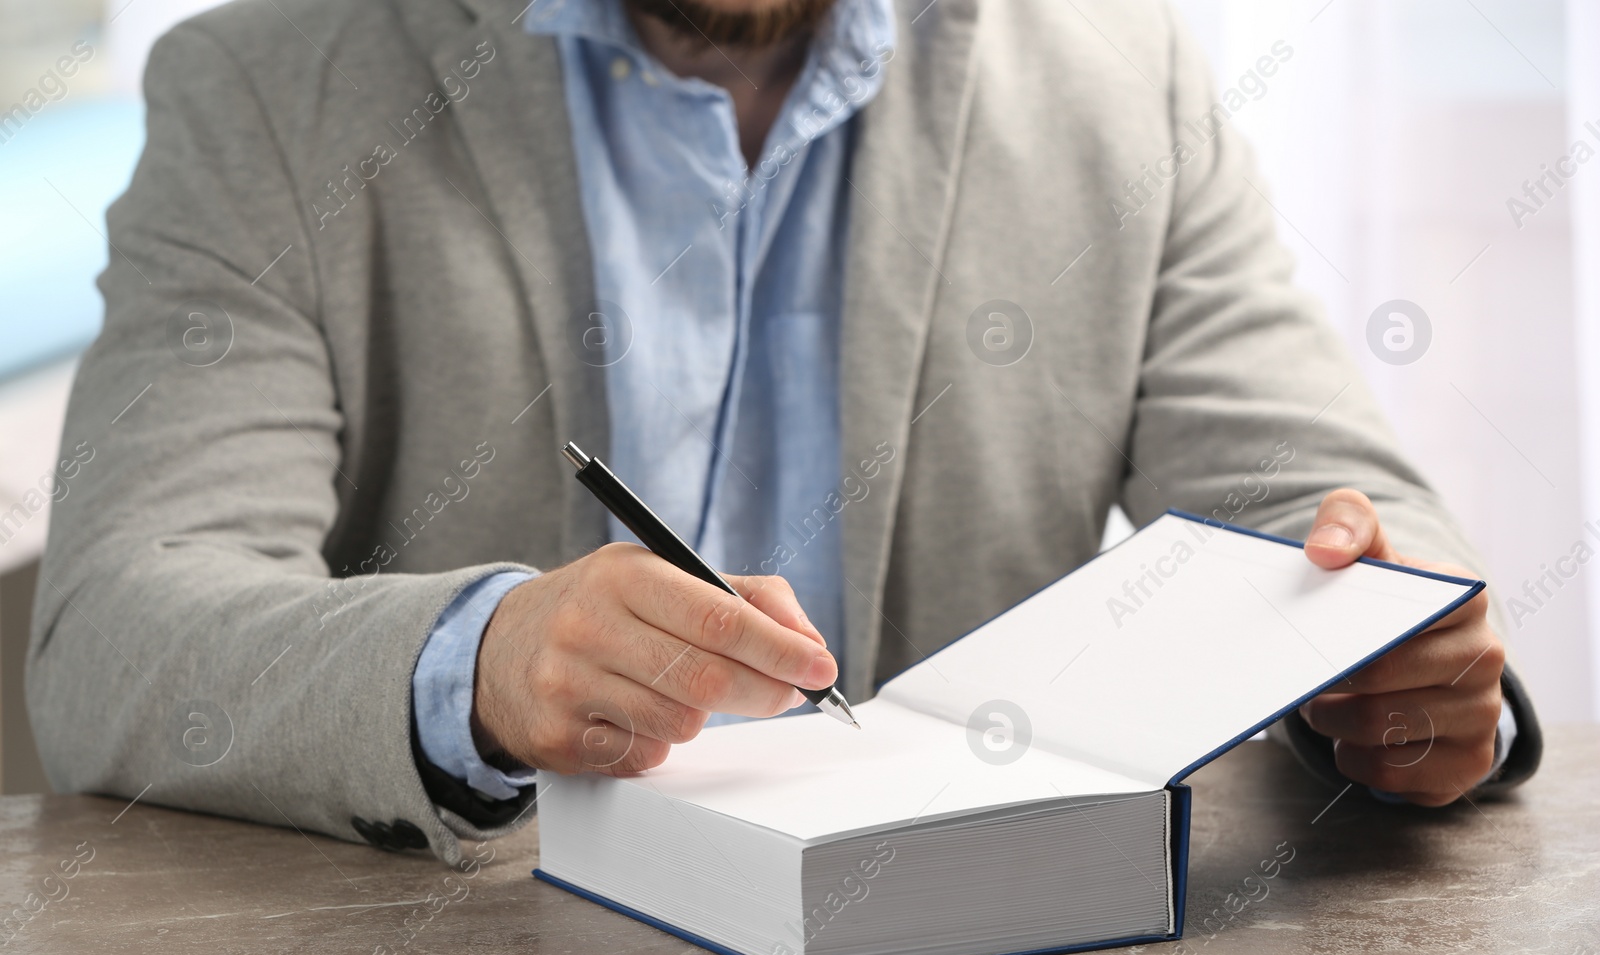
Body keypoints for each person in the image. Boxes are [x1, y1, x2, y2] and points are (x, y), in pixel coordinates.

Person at [27, 0, 1538, 867]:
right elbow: (117, 630)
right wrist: (476, 659)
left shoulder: (1118, 80)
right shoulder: (267, 88)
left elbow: (1332, 509)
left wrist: (1395, 661)